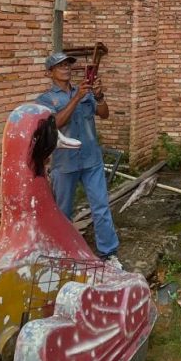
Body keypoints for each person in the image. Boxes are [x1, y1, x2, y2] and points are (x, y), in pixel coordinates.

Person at [36, 51, 121, 266]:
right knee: (63, 211)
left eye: (68, 65)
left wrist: (99, 96)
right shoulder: (46, 99)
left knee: (101, 207)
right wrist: (77, 98)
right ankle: (63, 252)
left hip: (91, 159)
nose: (66, 68)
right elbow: (56, 123)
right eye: (60, 66)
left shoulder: (85, 90)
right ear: (50, 72)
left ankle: (109, 253)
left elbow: (104, 114)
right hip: (65, 163)